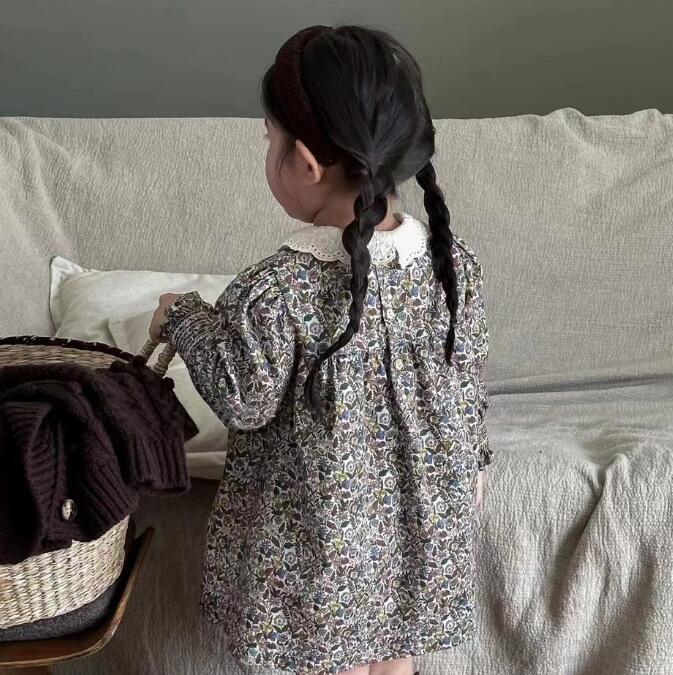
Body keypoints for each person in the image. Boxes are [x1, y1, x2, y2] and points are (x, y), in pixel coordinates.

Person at [149, 23, 494, 675]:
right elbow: (467, 381)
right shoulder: (452, 264)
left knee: (331, 660)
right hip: (421, 516)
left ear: (306, 164)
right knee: (392, 657)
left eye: (269, 139)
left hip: (323, 530)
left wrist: (183, 317)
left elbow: (243, 397)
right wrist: (472, 465)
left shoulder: (278, 287)